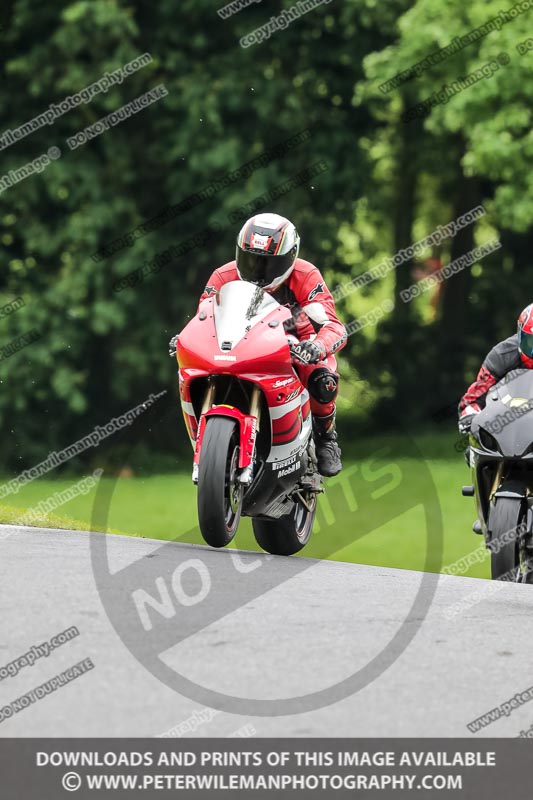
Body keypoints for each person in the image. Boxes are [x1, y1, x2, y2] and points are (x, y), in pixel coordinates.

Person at [195, 213, 347, 477]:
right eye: (251, 260)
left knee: (323, 381)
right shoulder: (223, 275)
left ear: (290, 258)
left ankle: (326, 437)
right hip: (238, 345)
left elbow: (333, 326)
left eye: (269, 264)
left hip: (296, 345)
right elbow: (203, 317)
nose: (258, 270)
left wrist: (318, 346)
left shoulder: (306, 275)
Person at [458, 303, 533, 434]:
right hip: (506, 431)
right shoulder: (501, 356)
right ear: (520, 336)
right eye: (531, 342)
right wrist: (471, 415)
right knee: (474, 447)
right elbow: (473, 399)